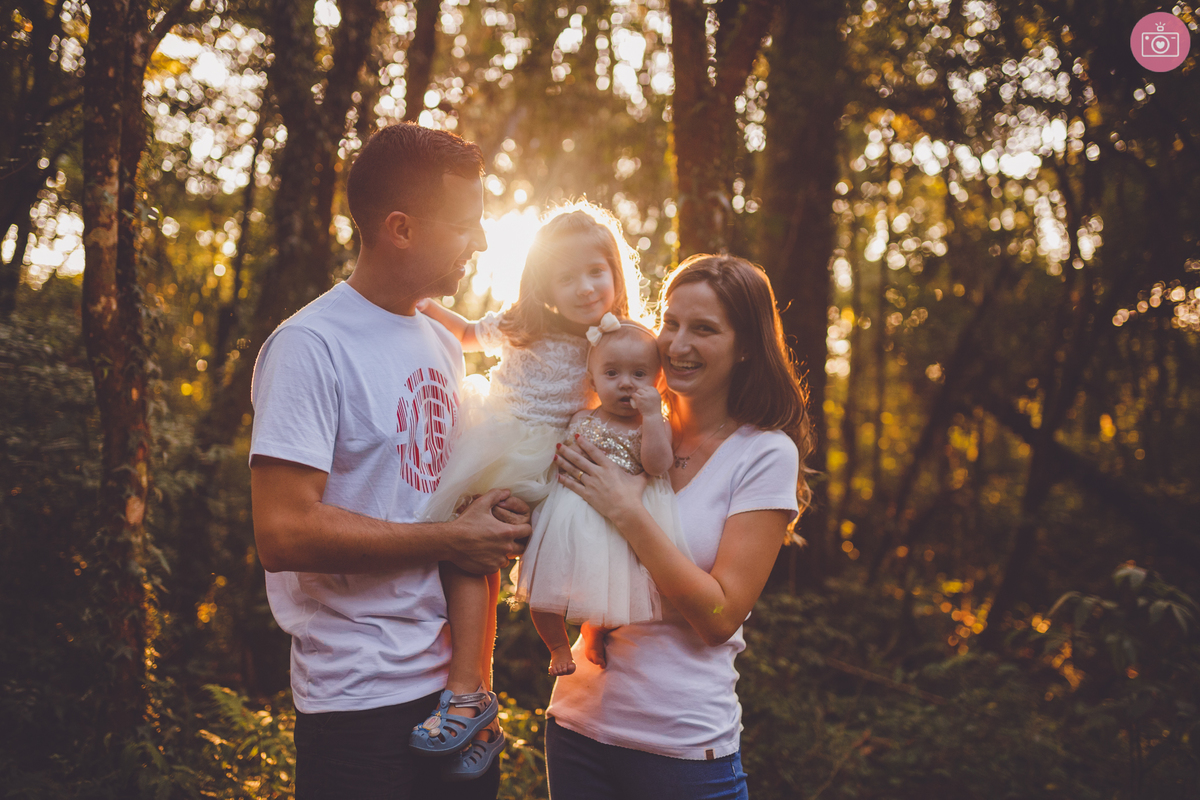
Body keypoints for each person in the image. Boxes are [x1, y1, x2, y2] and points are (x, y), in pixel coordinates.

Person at [248, 123, 531, 800]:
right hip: (359, 704)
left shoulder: (443, 341)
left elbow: (440, 497)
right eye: (464, 225)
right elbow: (283, 533)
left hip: (459, 700)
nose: (480, 243)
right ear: (399, 228)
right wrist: (451, 538)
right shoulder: (310, 346)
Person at [548, 254, 814, 800]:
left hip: (682, 747)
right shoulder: (618, 421)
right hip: (577, 723)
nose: (678, 344)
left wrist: (628, 513)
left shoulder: (764, 454)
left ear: (746, 345)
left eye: (704, 329)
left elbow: (720, 616)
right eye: (670, 323)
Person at [410, 204, 645, 771]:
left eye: (596, 271)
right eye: (566, 277)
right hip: (500, 444)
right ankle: (475, 693)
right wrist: (421, 301)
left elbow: (643, 387)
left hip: (555, 464)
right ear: (544, 285)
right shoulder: (522, 325)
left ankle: (471, 693)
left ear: (616, 273)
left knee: (480, 556)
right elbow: (466, 333)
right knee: (473, 558)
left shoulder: (618, 341)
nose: (585, 287)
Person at [513, 314, 690, 677]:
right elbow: (557, 460)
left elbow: (658, 465)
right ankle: (557, 646)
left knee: (618, 593)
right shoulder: (581, 417)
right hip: (568, 519)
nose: (626, 383)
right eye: (612, 373)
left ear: (658, 381)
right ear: (592, 381)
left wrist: (652, 416)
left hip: (618, 528)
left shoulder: (654, 425)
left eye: (639, 374)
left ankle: (594, 631)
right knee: (545, 589)